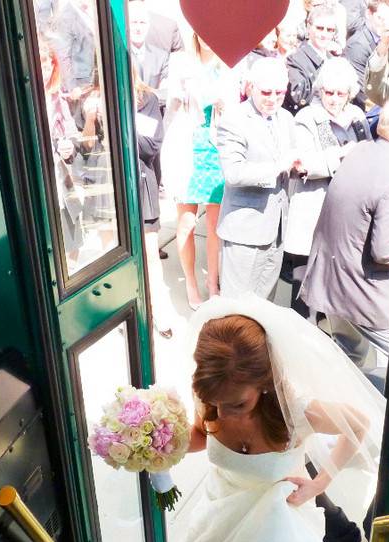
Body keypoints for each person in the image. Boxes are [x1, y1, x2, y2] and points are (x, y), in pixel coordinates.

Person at [167, 295, 386, 542]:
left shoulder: (296, 412)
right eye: (217, 403)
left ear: (264, 383)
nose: (224, 413)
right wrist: (162, 446)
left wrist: (321, 482)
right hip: (221, 514)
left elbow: (358, 423)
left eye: (238, 404)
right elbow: (202, 436)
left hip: (276, 531)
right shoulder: (214, 394)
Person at [300, 93, 389, 386]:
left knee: (346, 366)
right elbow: (387, 253)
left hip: (332, 285)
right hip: (363, 297)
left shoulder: (362, 150)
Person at [286, 58, 371, 320]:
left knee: (336, 278)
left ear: (349, 94)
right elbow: (303, 164)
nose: (333, 99)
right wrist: (343, 155)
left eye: (340, 93)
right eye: (328, 92)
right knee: (305, 277)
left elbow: (368, 152)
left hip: (346, 208)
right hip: (314, 205)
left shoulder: (357, 116)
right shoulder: (307, 116)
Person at [216, 58, 301, 300]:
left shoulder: (285, 118)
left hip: (276, 227)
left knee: (265, 304)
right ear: (251, 87)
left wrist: (297, 167)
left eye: (279, 92)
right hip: (245, 229)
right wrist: (277, 167)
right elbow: (233, 173)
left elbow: (288, 161)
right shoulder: (234, 119)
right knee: (236, 307)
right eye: (266, 92)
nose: (273, 98)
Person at [169, 33, 240, 309]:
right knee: (186, 223)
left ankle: (213, 283)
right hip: (187, 149)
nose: (209, 36)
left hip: (216, 150)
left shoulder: (228, 68)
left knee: (214, 224)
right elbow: (172, 105)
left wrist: (226, 105)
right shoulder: (182, 64)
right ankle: (190, 281)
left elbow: (234, 110)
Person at [134, 72, 176, 337]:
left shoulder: (145, 99)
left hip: (140, 184)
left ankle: (159, 312)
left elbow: (150, 146)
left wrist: (120, 122)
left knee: (150, 257)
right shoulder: (91, 99)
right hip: (106, 188)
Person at [39, 38, 84, 265]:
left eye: (48, 66)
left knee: (73, 241)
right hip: (42, 185)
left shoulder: (57, 98)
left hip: (62, 179)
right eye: (40, 65)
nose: (44, 72)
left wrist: (68, 147)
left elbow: (72, 136)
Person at [283, 6, 342, 114]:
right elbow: (297, 97)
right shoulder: (295, 58)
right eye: (319, 28)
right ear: (308, 27)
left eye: (330, 30)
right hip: (305, 120)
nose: (324, 34)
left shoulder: (333, 59)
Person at [344, 0, 389, 109]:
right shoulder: (357, 46)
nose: (385, 24)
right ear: (368, 14)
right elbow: (363, 94)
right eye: (380, 18)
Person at [128, 1, 169, 99]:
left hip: (155, 112)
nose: (138, 28)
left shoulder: (162, 57)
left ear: (148, 25)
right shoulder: (120, 56)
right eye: (134, 22)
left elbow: (166, 93)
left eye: (142, 22)